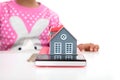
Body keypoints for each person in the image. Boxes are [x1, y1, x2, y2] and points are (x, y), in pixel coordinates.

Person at [0, 0, 99, 52]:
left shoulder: (51, 16)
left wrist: (78, 48)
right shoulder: (2, 10)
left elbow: (60, 46)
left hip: (41, 72)